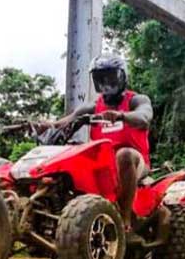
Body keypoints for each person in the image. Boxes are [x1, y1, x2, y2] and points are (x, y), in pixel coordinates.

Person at [40, 53, 151, 232]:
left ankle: (124, 218)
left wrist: (122, 115)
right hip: (101, 163)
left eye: (111, 78)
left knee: (124, 155)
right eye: (100, 78)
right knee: (69, 155)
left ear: (122, 77)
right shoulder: (92, 107)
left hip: (135, 161)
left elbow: (144, 116)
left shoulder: (136, 100)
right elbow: (65, 122)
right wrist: (45, 126)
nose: (106, 84)